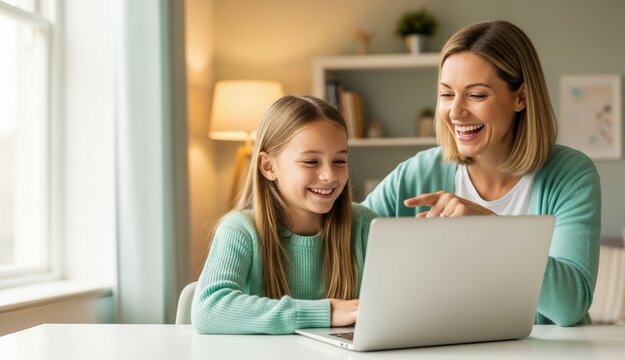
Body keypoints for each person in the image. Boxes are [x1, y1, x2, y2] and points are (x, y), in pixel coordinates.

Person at [363, 20, 601, 326]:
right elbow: (342, 240)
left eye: (476, 95)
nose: (456, 112)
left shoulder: (571, 175)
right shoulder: (417, 174)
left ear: (521, 97)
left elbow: (569, 306)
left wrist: (489, 231)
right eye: (447, 95)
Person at [192, 96, 377, 334]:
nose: (330, 175)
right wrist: (325, 312)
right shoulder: (241, 230)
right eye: (311, 161)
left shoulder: (364, 224)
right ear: (268, 166)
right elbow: (209, 309)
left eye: (339, 161)